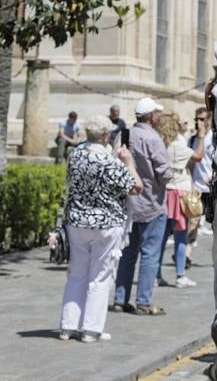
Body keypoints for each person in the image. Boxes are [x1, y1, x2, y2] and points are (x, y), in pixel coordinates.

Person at [58, 114, 142, 342]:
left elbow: (93, 161)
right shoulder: (109, 163)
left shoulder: (75, 156)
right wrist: (128, 162)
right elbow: (136, 187)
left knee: (76, 274)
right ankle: (91, 329)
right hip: (106, 224)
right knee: (100, 277)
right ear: (106, 136)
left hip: (77, 222)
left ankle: (68, 326)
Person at [111, 96, 173, 315]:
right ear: (152, 116)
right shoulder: (153, 138)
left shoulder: (124, 135)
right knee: (150, 254)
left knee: (128, 253)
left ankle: (120, 299)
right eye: (157, 113)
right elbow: (164, 173)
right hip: (151, 204)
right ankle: (144, 302)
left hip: (128, 205)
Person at [155, 113, 203, 288]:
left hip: (164, 194)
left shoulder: (160, 146)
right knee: (181, 237)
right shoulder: (177, 146)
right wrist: (202, 136)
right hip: (180, 195)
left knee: (160, 237)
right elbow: (198, 156)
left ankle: (156, 274)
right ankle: (180, 275)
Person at [189, 107, 215, 253]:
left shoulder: (215, 138)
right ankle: (187, 255)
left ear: (209, 120)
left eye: (202, 119)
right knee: (193, 222)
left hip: (212, 188)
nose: (198, 122)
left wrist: (215, 176)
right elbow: (191, 162)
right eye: (196, 119)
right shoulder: (193, 139)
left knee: (216, 224)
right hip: (197, 186)